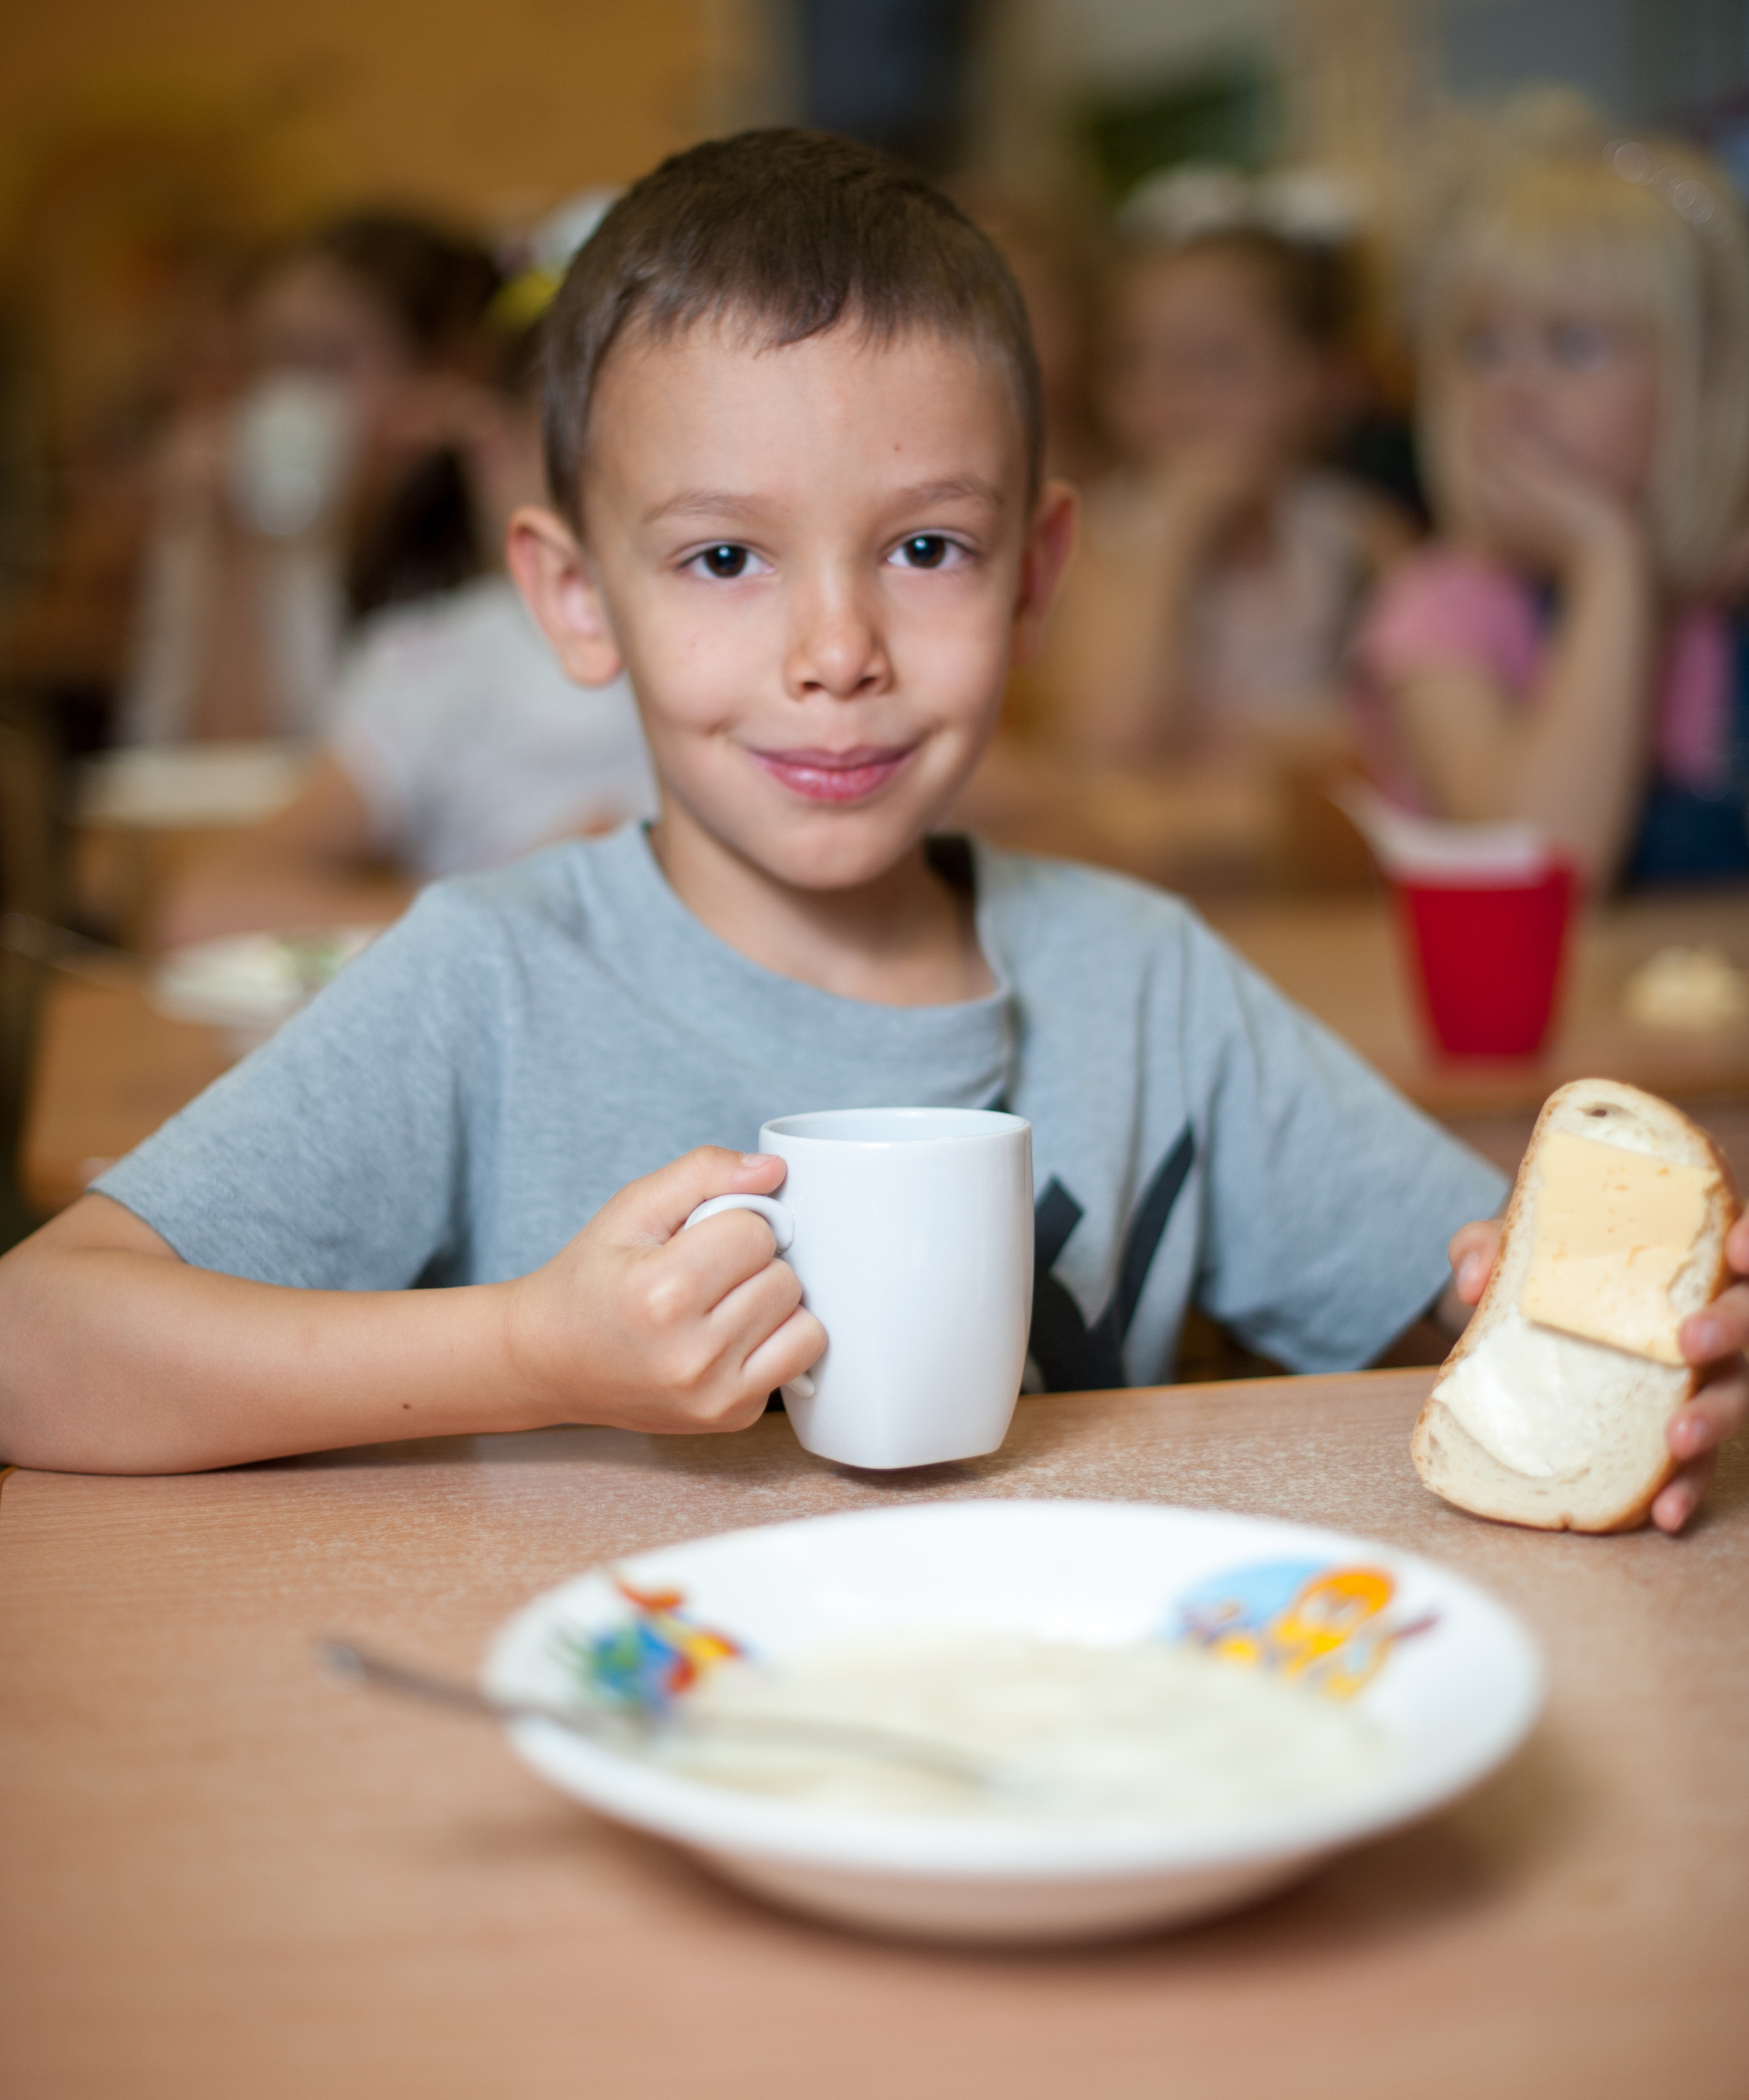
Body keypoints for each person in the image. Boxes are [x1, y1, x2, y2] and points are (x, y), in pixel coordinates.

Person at [1, 130, 1742, 1529]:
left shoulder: (1143, 987)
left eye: (924, 549)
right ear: (573, 594)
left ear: (1035, 572)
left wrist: (1627, 1342)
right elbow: (37, 1344)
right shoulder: (491, 983)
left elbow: (1460, 1302)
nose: (834, 655)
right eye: (721, 557)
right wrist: (527, 1346)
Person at [156, 320, 656, 946]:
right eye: (593, 445)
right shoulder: (437, 663)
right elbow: (209, 906)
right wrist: (514, 905)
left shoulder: (773, 651)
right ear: (493, 448)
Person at [1349, 115, 1749, 885]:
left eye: (1573, 344)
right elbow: (1544, 867)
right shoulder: (1439, 610)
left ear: (1704, 378)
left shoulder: (1721, 598)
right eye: (1482, 347)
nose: (1512, 392)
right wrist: (1607, 559)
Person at [1030, 195, 1411, 769]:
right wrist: (1176, 538)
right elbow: (1111, 741)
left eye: (1216, 361)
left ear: (1320, 382)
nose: (1168, 395)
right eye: (1134, 360)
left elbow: (1420, 725)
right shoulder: (1096, 539)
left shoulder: (1357, 535)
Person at [122, 210, 504, 746]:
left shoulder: (484, 526)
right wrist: (239, 543)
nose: (290, 394)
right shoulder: (230, 508)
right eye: (272, 359)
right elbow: (222, 762)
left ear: (442, 374)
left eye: (331, 361)